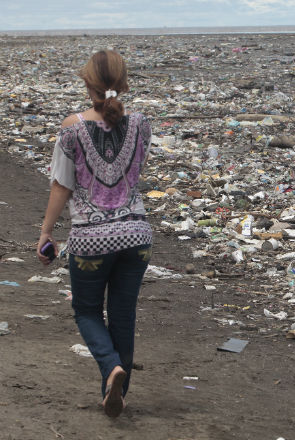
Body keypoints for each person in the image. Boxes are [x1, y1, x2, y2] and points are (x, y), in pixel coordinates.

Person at [37, 49, 153, 418]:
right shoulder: (141, 123)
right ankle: (116, 391)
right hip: (137, 236)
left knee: (87, 311)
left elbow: (61, 186)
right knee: (123, 315)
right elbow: (134, 174)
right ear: (123, 82)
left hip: (91, 240)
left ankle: (110, 370)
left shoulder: (71, 128)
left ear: (87, 83)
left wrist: (45, 235)